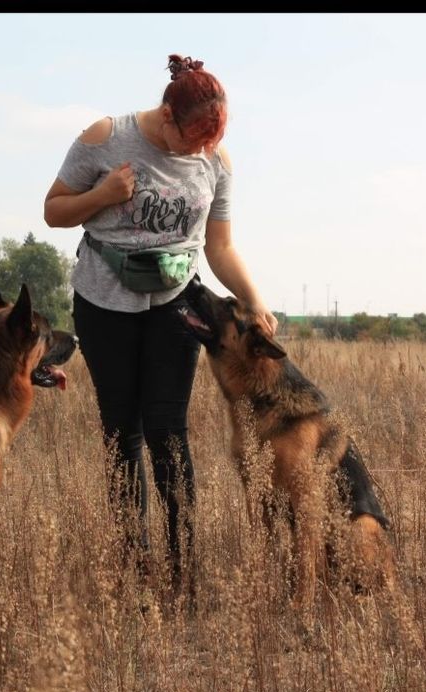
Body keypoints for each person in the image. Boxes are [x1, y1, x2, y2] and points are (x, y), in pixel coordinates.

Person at [43, 54, 278, 598]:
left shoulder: (215, 161)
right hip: (104, 307)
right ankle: (134, 564)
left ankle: (182, 569)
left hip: (176, 307)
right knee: (121, 431)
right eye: (187, 139)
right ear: (166, 115)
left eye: (206, 144)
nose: (195, 152)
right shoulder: (106, 137)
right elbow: (53, 210)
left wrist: (254, 300)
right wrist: (103, 196)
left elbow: (218, 247)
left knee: (168, 432)